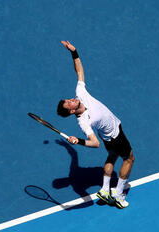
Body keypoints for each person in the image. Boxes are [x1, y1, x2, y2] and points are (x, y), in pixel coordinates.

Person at [56, 40, 135, 209]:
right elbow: (95, 143)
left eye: (68, 99)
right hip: (115, 134)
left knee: (112, 157)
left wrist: (74, 52)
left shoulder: (80, 93)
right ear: (71, 111)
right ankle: (119, 196)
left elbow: (79, 71)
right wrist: (80, 141)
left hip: (107, 134)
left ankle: (105, 190)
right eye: (69, 103)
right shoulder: (84, 122)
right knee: (129, 159)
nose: (71, 99)